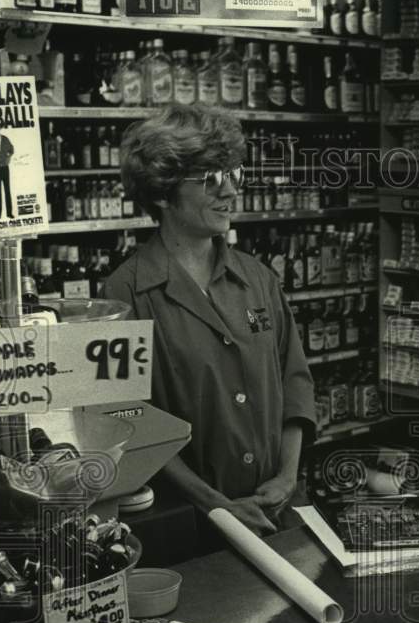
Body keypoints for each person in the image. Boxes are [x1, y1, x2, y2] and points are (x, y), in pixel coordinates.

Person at [104, 103, 316, 542]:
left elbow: (295, 381)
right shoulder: (122, 295)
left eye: (235, 174)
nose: (231, 191)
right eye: (211, 180)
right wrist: (215, 504)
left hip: (277, 511)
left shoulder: (258, 278)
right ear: (162, 192)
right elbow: (130, 420)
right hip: (189, 526)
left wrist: (287, 478)